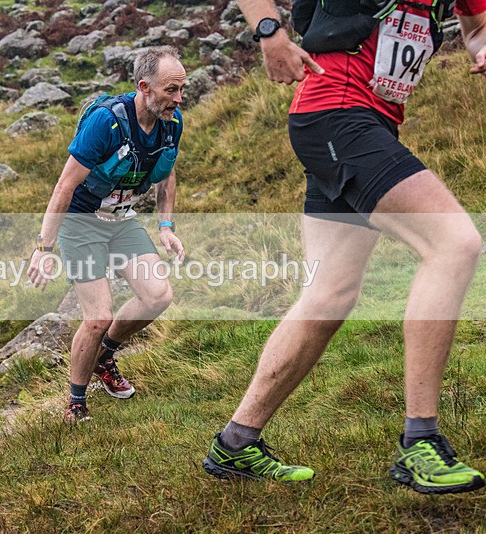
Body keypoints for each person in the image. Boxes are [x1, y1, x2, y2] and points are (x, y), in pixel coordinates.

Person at [202, 0, 486, 494]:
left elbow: (476, 23)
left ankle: (235, 443)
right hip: (336, 111)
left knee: (329, 296)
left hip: (366, 120)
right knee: (454, 243)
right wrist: (269, 32)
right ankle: (420, 442)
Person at [28, 46, 187, 423]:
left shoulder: (171, 121)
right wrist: (43, 248)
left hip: (121, 219)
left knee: (158, 295)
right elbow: (65, 186)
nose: (178, 100)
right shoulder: (106, 122)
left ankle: (104, 356)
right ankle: (76, 402)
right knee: (97, 317)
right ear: (143, 86)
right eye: (171, 90)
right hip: (81, 220)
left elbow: (167, 171)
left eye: (182, 89)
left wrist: (165, 226)